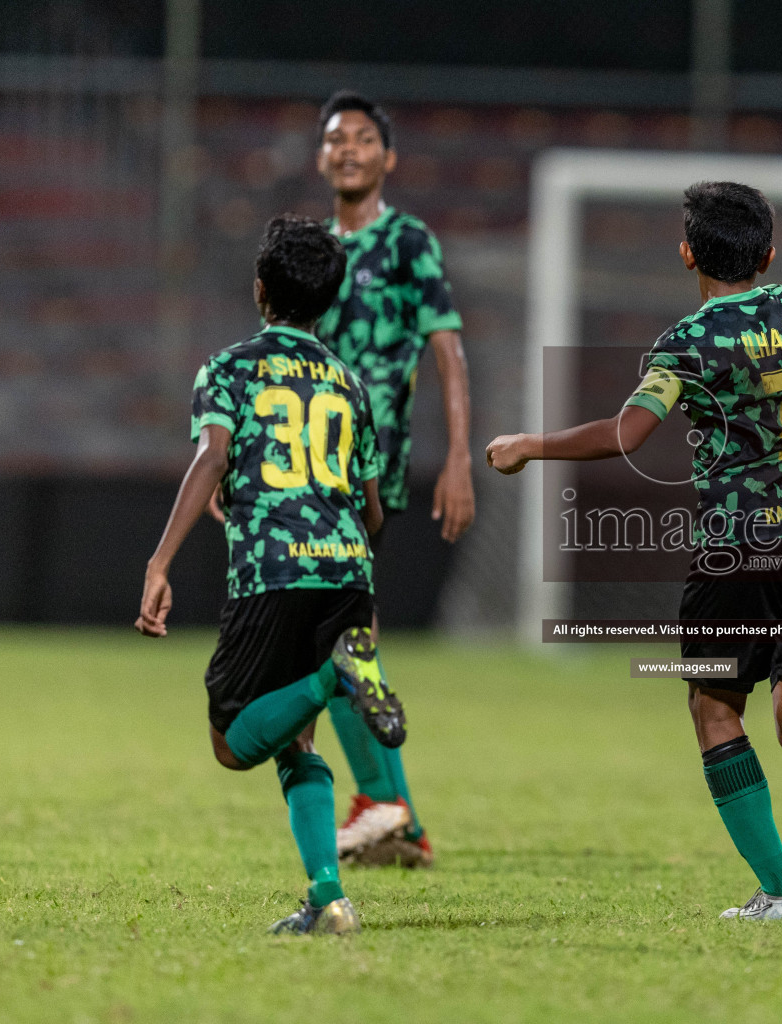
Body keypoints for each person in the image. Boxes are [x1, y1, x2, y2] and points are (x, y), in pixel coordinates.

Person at [485, 106, 782, 922]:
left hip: (739, 548)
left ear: (689, 251)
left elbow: (628, 433)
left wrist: (531, 444)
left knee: (712, 707)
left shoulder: (685, 343)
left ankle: (778, 893)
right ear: (768, 255)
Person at [136, 215, 407, 935]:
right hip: (347, 570)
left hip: (274, 574)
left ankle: (334, 675)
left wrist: (161, 561)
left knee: (232, 742)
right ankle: (328, 900)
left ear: (261, 292)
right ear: (329, 300)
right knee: (299, 739)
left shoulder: (230, 367)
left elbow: (213, 456)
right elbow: (373, 511)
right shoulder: (349, 383)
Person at [313, 90, 476, 868]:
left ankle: (385, 800)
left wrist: (457, 457)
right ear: (322, 158)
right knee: (342, 637)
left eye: (363, 138)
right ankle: (395, 812)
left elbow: (447, 349)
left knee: (336, 635)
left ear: (388, 158)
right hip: (302, 465)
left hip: (365, 473)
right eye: (335, 138)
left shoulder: (409, 242)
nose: (347, 148)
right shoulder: (307, 247)